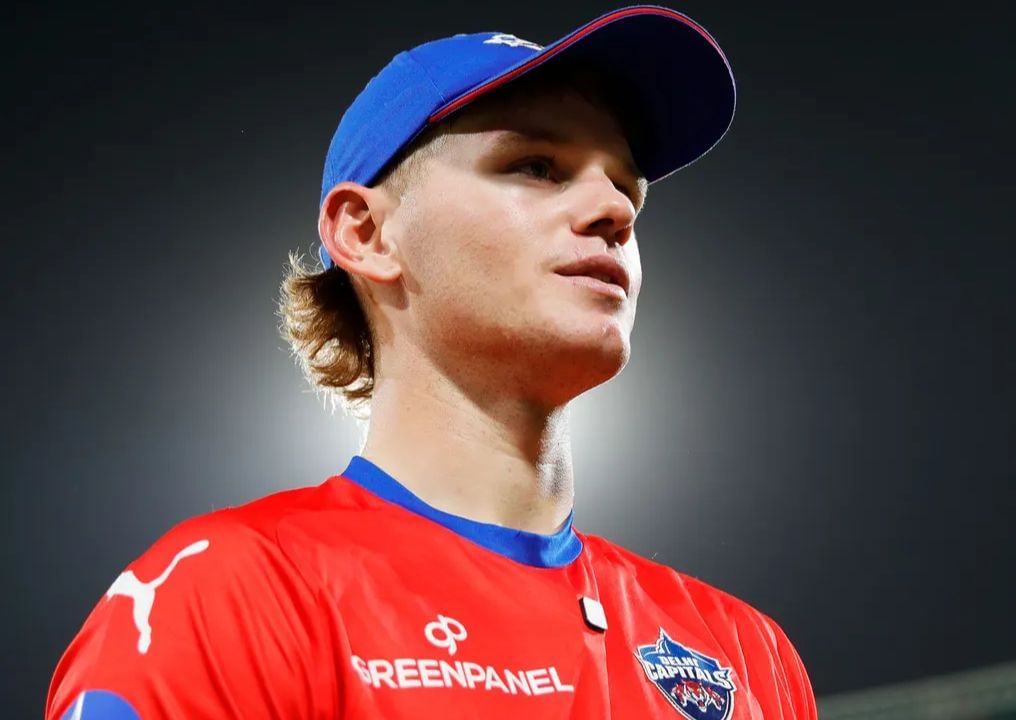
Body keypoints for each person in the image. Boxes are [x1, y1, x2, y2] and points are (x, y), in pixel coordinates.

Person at [46, 6, 817, 719]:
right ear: (367, 234)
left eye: (624, 187)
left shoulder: (745, 652)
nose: (615, 210)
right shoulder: (230, 595)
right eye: (535, 165)